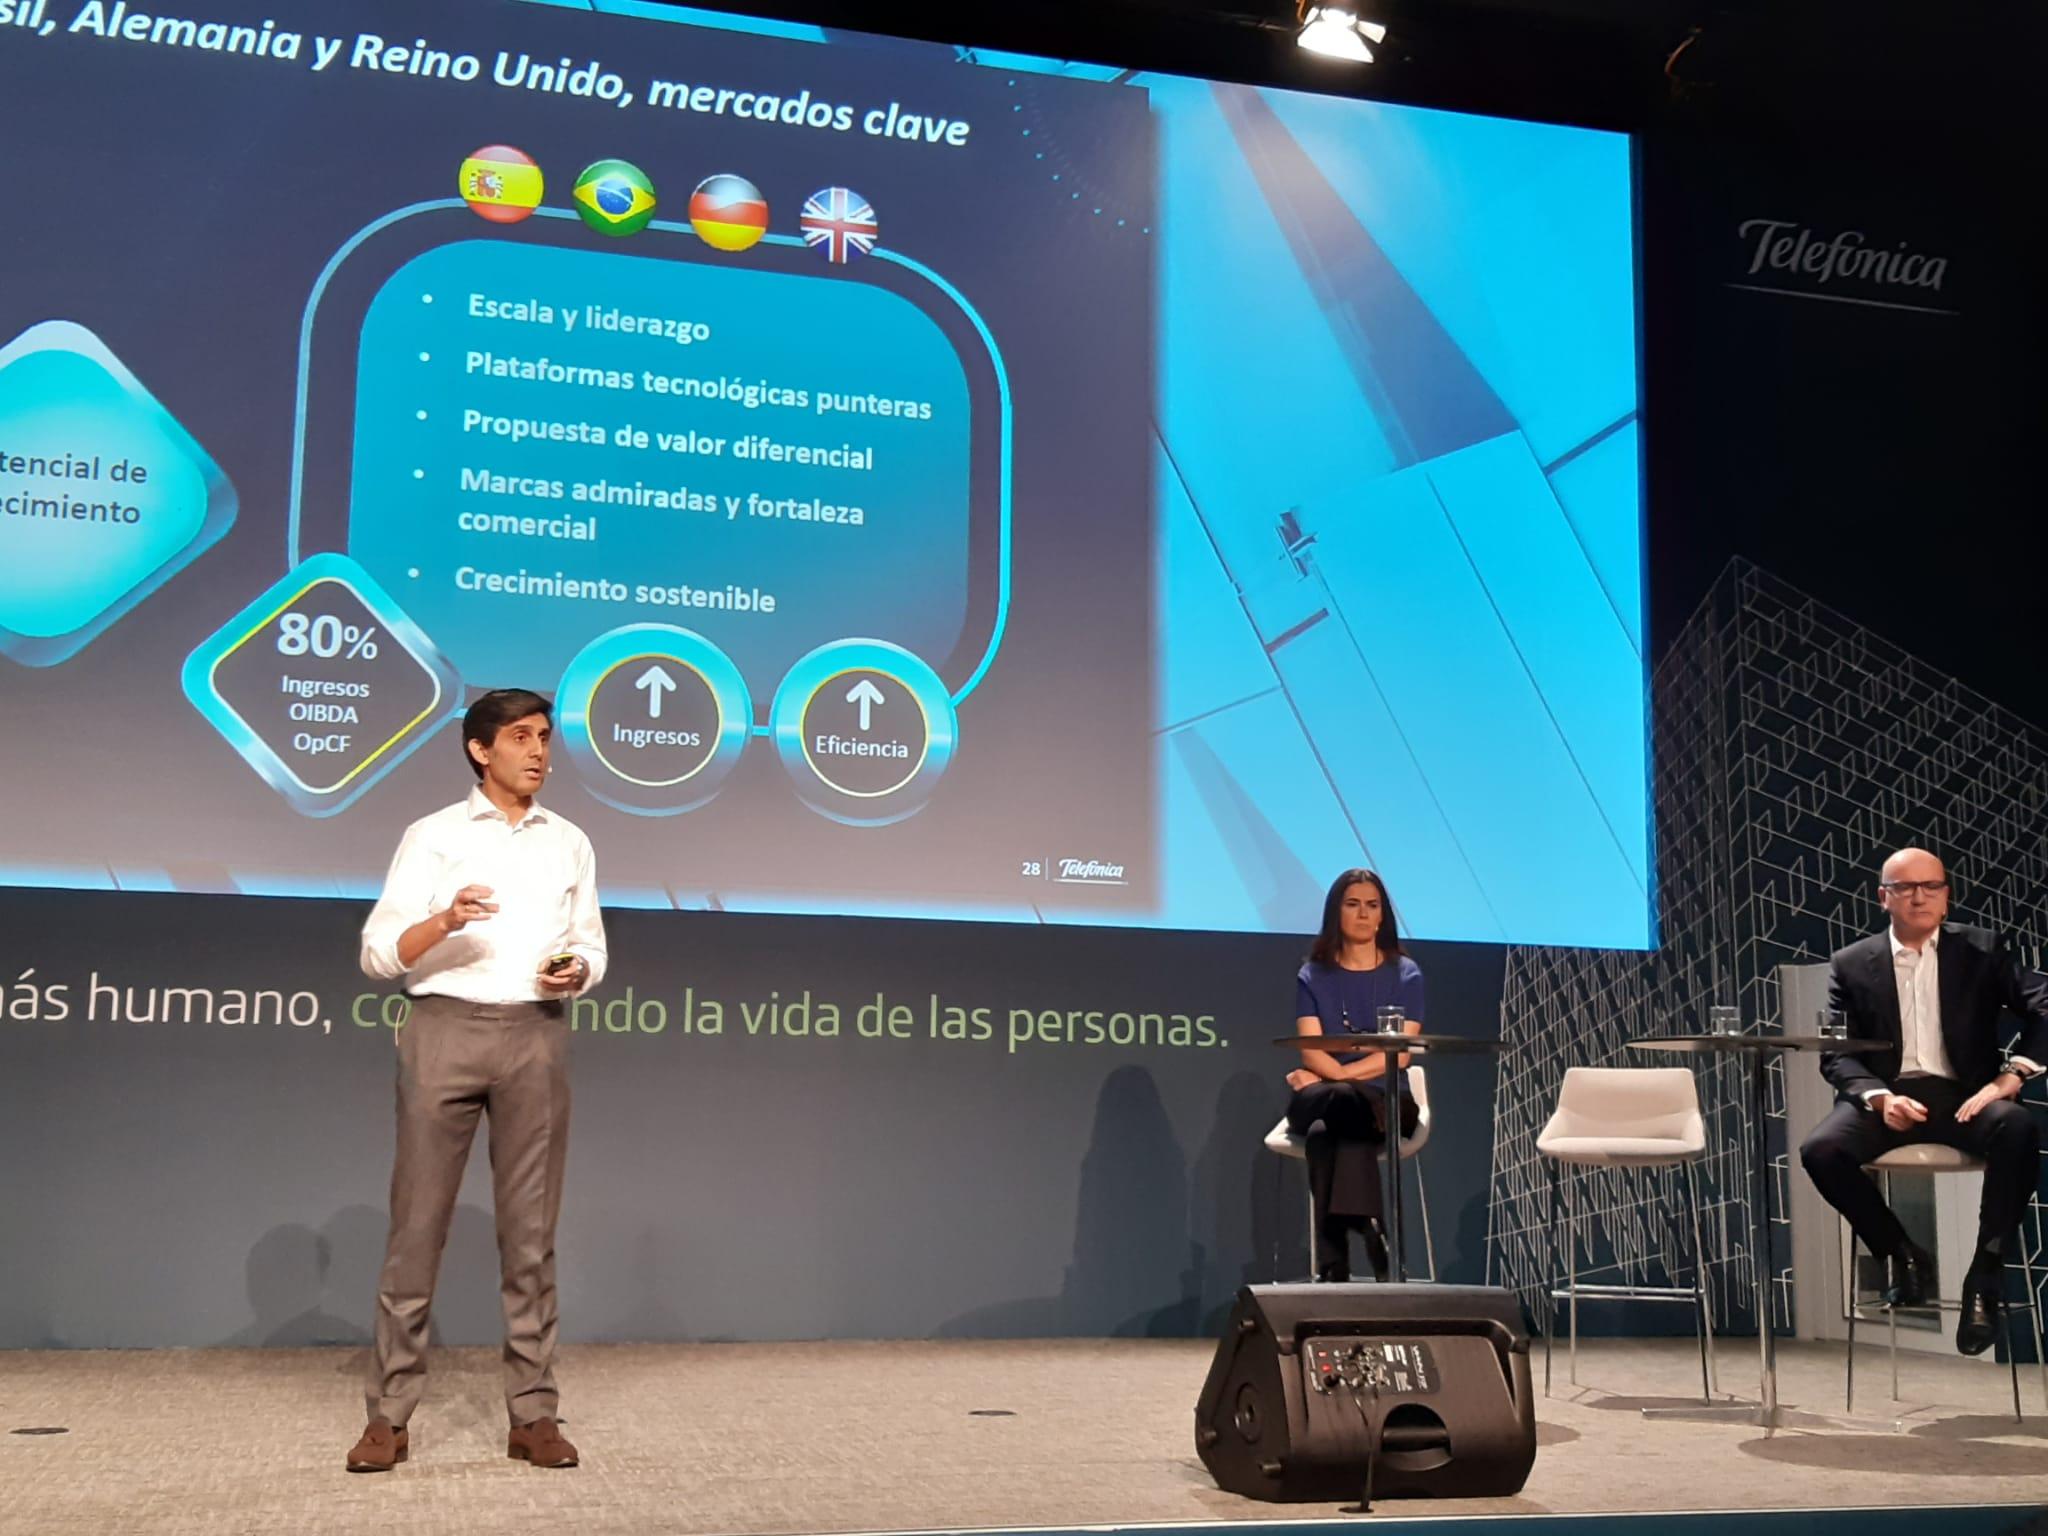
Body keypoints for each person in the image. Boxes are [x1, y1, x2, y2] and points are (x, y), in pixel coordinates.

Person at [344, 689, 607, 1472]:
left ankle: (533, 1414)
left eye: (546, 739)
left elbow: (590, 949)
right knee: (416, 1231)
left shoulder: (571, 843)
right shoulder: (432, 837)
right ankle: (388, 1417)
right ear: (479, 749)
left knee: (530, 1241)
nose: (540, 753)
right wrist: (447, 920)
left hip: (535, 1035)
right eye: (522, 737)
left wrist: (574, 971)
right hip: (444, 1030)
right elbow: (379, 954)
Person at [1798, 847, 2046, 1355]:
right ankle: (1902, 1254)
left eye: (1932, 886)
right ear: (1883, 896)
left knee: (2017, 1128)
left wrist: (2011, 1076)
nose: (1920, 897)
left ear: (1946, 896)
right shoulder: (1851, 963)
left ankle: (1986, 1276)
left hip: (1964, 1096)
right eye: (1906, 887)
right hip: (1888, 1097)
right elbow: (1835, 1055)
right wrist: (1877, 1096)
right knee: (1821, 1150)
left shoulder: (1982, 949)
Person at [1285, 868, 1424, 1282]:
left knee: (1325, 1136)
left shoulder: (1406, 974)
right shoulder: (1313, 974)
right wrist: (1352, 1070)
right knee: (1343, 1104)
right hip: (1333, 1097)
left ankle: (1333, 1265)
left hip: (1386, 1105)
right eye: (1352, 904)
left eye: (1372, 905)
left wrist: (1335, 1075)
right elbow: (1311, 1049)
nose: (1363, 914)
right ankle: (1369, 1225)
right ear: (1336, 913)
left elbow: (1400, 1058)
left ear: (1382, 916)